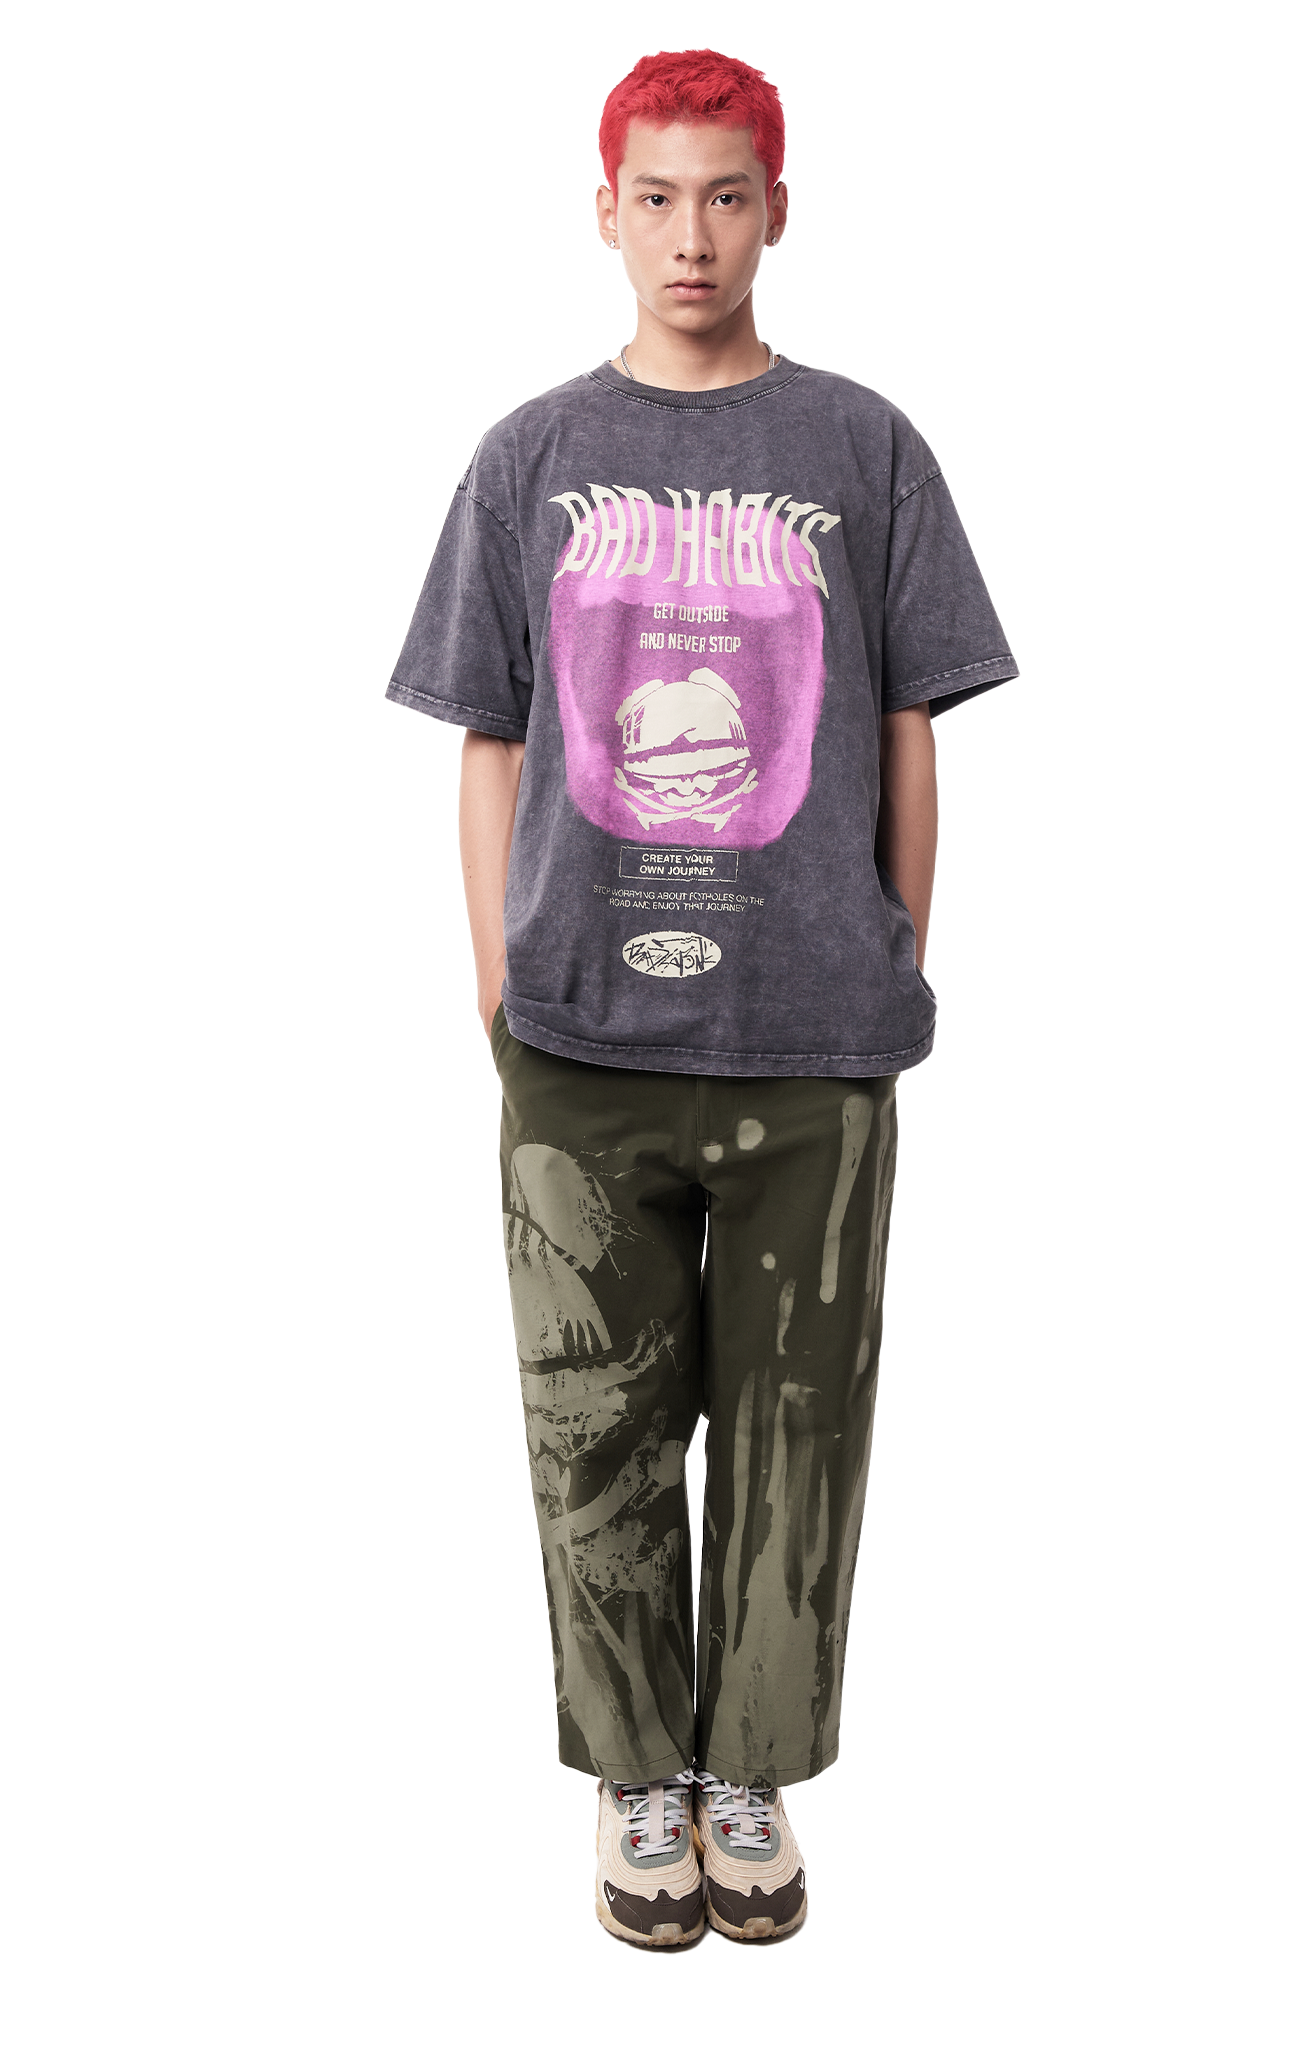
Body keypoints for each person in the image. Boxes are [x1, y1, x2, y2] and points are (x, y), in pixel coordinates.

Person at [387, 48, 1017, 1947]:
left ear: (778, 212)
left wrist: (897, 957)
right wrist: (499, 983)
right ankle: (634, 1776)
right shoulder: (530, 458)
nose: (691, 235)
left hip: (814, 1041)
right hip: (579, 1044)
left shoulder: (865, 450)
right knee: (593, 1427)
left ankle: (750, 1772)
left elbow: (909, 725)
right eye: (656, 197)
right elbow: (490, 737)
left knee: (800, 1428)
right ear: (604, 210)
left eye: (726, 196)